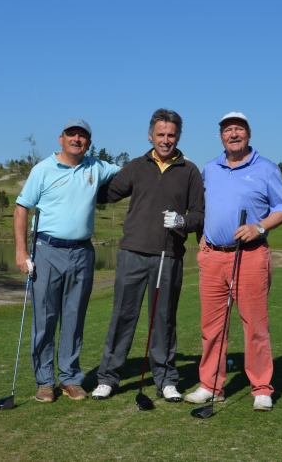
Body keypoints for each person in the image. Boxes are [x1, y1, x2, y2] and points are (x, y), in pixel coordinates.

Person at [91, 108, 204, 402]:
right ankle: (108, 378)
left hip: (169, 255)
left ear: (178, 136)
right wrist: (83, 175)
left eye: (171, 135)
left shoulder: (189, 171)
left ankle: (166, 379)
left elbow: (200, 215)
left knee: (163, 319)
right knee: (122, 316)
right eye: (160, 134)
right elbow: (107, 193)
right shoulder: (137, 166)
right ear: (150, 135)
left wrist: (181, 221)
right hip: (132, 253)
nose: (165, 140)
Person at [183, 112, 282, 412]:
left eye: (239, 129)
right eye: (228, 130)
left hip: (250, 256)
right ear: (221, 136)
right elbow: (200, 206)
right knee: (212, 327)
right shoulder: (210, 168)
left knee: (254, 326)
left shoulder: (266, 168)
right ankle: (210, 386)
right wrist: (200, 235)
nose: (233, 134)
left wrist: (259, 227)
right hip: (212, 257)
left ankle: (261, 388)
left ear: (249, 134)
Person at [14, 118, 119, 403]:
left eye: (82, 135)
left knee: (74, 318)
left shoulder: (97, 167)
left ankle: (70, 378)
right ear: (61, 139)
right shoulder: (43, 169)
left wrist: (164, 158)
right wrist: (21, 252)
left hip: (83, 252)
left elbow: (135, 173)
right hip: (47, 250)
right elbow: (22, 208)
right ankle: (44, 381)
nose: (77, 139)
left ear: (89, 141)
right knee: (45, 319)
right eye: (71, 134)